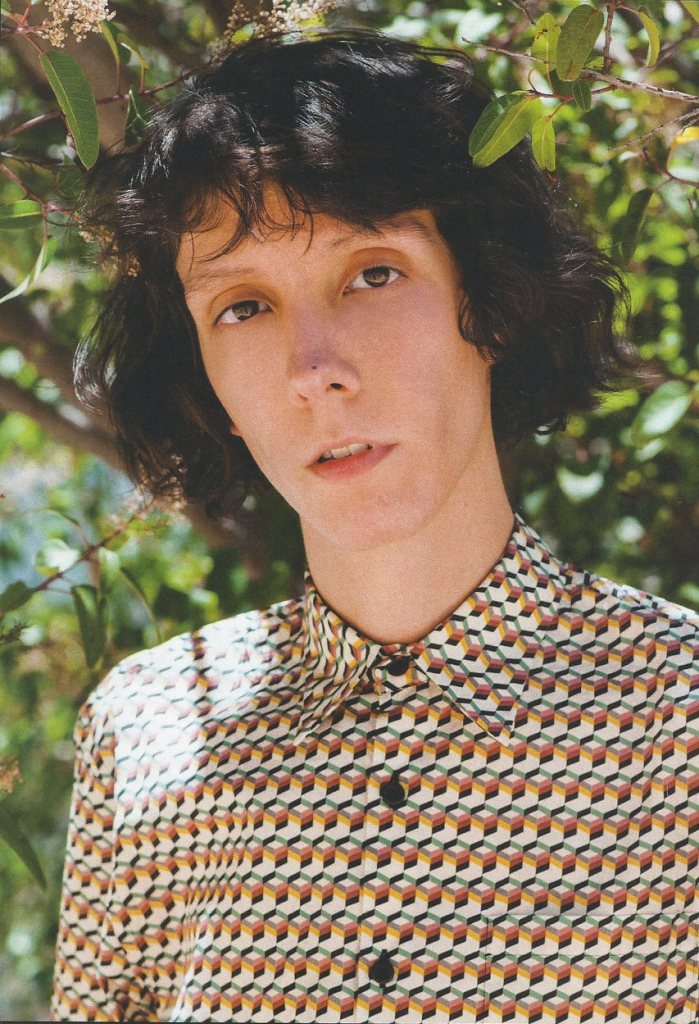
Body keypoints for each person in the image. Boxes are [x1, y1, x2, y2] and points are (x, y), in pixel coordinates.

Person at [51, 29, 699, 1024]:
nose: (316, 369)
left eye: (373, 273)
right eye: (245, 307)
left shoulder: (682, 726)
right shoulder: (142, 735)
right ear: (209, 381)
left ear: (489, 301)